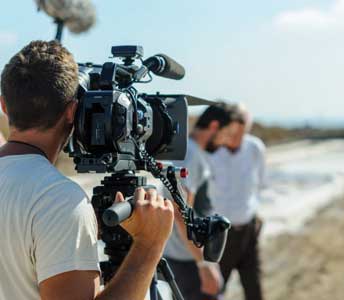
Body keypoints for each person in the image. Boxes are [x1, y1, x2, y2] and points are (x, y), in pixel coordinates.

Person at [0, 40, 174, 300]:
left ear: (4, 105)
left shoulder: (54, 201)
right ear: (72, 111)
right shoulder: (57, 199)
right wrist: (149, 245)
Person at [163, 103, 243, 300]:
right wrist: (204, 265)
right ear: (214, 126)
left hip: (186, 256)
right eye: (227, 133)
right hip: (188, 261)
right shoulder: (190, 155)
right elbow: (180, 211)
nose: (226, 141)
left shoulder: (189, 152)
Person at [207, 104, 267, 300]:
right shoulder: (211, 153)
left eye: (242, 133)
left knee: (255, 289)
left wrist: (256, 214)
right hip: (221, 234)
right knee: (215, 291)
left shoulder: (255, 148)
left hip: (250, 231)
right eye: (234, 133)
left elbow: (260, 184)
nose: (237, 138)